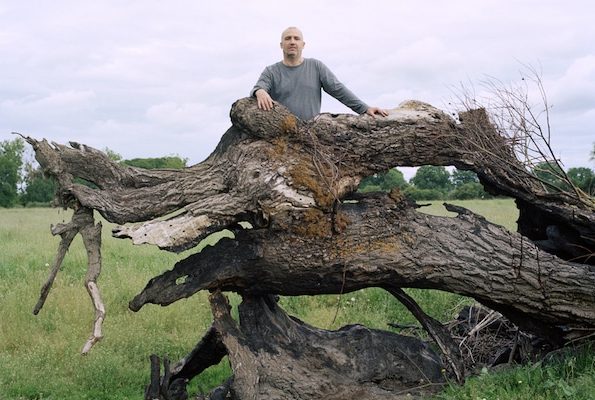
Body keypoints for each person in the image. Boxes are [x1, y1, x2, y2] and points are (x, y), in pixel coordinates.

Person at [251, 27, 388, 120]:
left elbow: (338, 90)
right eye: (288, 38)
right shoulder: (271, 71)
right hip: (279, 136)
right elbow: (259, 87)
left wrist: (365, 108)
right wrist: (260, 91)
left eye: (296, 38)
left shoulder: (316, 66)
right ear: (281, 45)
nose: (292, 42)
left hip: (311, 134)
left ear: (303, 44)